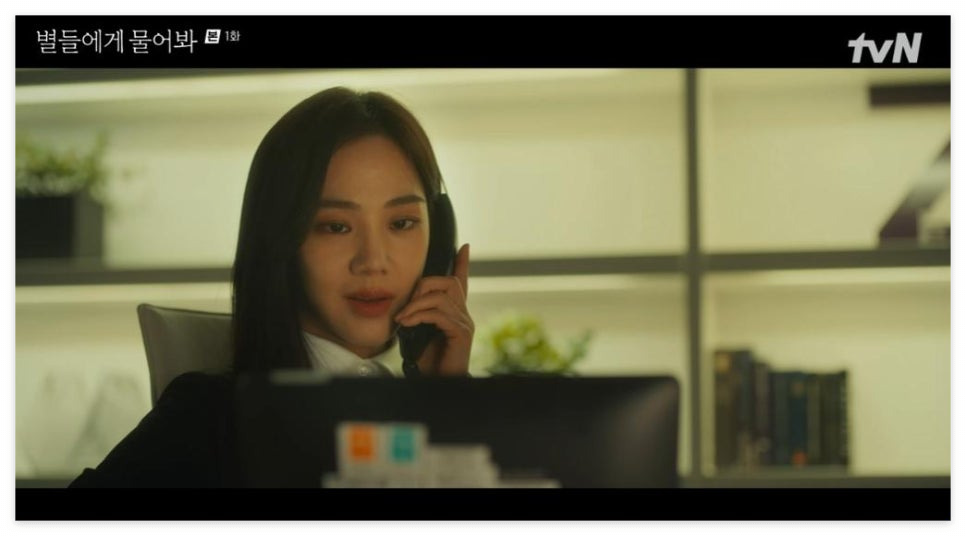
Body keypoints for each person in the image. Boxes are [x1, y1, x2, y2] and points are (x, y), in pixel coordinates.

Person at [69, 87, 474, 487]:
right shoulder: (209, 416)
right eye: (335, 226)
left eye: (401, 223)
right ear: (281, 240)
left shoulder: (438, 412)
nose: (373, 261)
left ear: (437, 240)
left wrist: (449, 406)